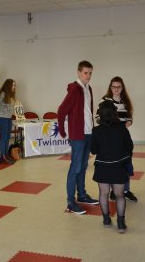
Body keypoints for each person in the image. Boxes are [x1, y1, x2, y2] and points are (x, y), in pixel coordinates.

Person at [58, 60, 99, 215]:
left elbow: (88, 112)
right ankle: (70, 201)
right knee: (75, 168)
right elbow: (61, 110)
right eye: (85, 73)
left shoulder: (88, 88)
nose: (88, 76)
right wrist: (62, 130)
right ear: (78, 72)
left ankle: (81, 195)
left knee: (83, 167)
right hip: (78, 135)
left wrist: (93, 131)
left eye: (90, 73)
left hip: (88, 133)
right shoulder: (75, 89)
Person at [91, 100, 133, 233]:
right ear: (115, 113)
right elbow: (130, 146)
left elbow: (94, 151)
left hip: (102, 167)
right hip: (119, 167)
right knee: (120, 195)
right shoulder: (122, 128)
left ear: (100, 115)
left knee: (103, 194)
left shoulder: (96, 130)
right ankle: (121, 224)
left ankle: (106, 220)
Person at [100, 76, 138, 202]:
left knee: (126, 164)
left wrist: (127, 123)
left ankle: (125, 190)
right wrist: (112, 127)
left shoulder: (126, 101)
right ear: (110, 87)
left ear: (122, 88)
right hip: (110, 138)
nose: (116, 89)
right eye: (113, 86)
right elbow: (98, 118)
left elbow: (130, 118)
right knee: (113, 165)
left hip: (124, 137)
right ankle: (113, 191)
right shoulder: (105, 101)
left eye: (118, 86)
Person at [0, 79, 16, 164]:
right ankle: (3, 155)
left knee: (7, 137)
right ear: (8, 86)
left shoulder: (10, 95)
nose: (14, 87)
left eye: (14, 85)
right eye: (13, 85)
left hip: (8, 118)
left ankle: (6, 154)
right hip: (2, 118)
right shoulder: (2, 94)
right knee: (4, 137)